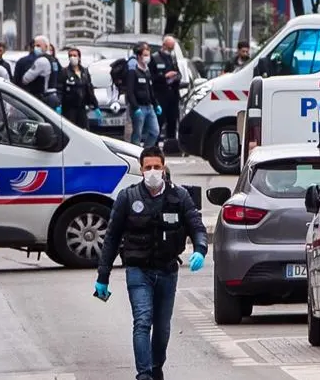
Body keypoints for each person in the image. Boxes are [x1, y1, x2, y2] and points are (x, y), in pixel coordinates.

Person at [94, 145, 208, 380]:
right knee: (142, 321)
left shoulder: (179, 197)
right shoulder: (128, 197)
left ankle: (156, 368)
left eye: (157, 167)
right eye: (148, 168)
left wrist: (200, 249)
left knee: (162, 328)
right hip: (138, 271)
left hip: (167, 270)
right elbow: (112, 238)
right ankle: (144, 375)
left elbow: (196, 225)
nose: (153, 171)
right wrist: (102, 276)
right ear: (141, 169)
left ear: (164, 168)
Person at [127, 45, 162, 147]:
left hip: (149, 106)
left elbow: (150, 90)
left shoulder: (147, 71)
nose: (148, 57)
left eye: (148, 55)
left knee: (155, 131)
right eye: (145, 55)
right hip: (138, 107)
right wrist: (135, 107)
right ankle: (136, 154)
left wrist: (156, 105)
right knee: (137, 134)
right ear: (139, 56)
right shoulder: (133, 70)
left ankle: (146, 151)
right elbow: (130, 91)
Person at [150, 35, 181, 141]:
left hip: (172, 95)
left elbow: (179, 73)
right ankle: (155, 145)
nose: (170, 50)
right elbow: (151, 77)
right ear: (163, 46)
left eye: (172, 48)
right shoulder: (154, 58)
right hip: (160, 95)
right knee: (159, 121)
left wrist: (176, 77)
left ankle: (171, 145)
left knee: (172, 120)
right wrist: (164, 77)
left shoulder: (172, 58)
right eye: (169, 48)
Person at [60, 48, 100, 128]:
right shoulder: (65, 72)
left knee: (84, 129)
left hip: (82, 108)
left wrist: (95, 105)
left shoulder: (84, 71)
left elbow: (89, 89)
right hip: (69, 109)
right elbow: (60, 89)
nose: (72, 57)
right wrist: (59, 104)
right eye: (70, 56)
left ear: (79, 57)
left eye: (75, 55)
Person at [22, 36, 61, 108]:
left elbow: (25, 79)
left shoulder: (41, 60)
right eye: (35, 46)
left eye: (38, 45)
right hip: (54, 96)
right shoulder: (54, 60)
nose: (36, 48)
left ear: (46, 47)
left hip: (44, 98)